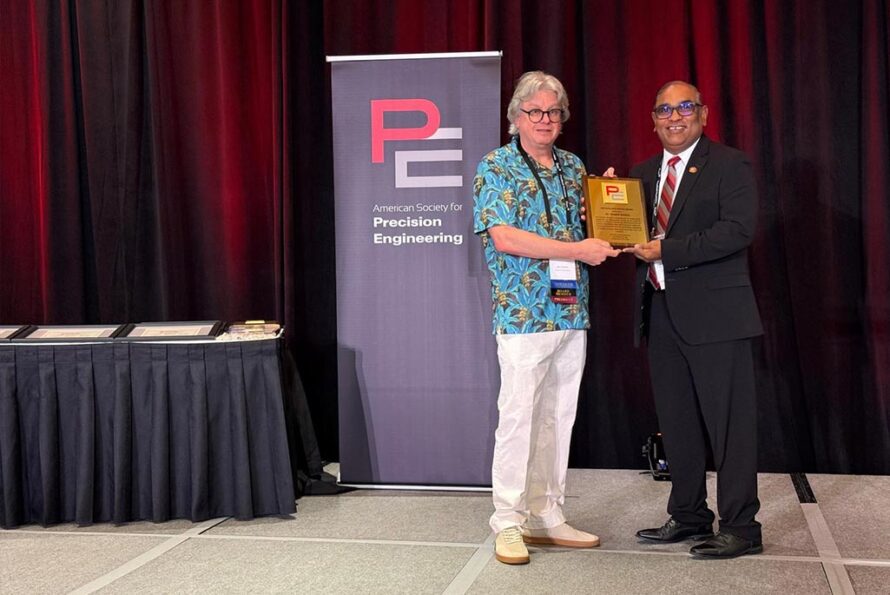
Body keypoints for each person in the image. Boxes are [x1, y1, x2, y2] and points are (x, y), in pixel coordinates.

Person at [473, 71, 619, 565]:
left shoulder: (573, 166)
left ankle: (548, 515)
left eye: (553, 112)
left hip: (569, 307)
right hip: (521, 312)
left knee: (559, 416)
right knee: (518, 418)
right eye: (534, 111)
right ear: (515, 117)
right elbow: (505, 238)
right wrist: (577, 247)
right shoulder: (494, 165)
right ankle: (509, 522)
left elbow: (591, 223)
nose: (544, 120)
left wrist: (611, 203)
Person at [624, 81, 764, 559]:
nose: (674, 116)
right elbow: (626, 235)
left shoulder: (729, 164)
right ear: (653, 120)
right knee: (677, 422)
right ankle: (688, 515)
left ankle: (742, 526)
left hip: (718, 317)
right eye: (664, 109)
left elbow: (737, 230)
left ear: (702, 114)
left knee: (730, 426)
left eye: (685, 107)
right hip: (660, 313)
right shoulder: (640, 175)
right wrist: (600, 207)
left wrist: (668, 249)